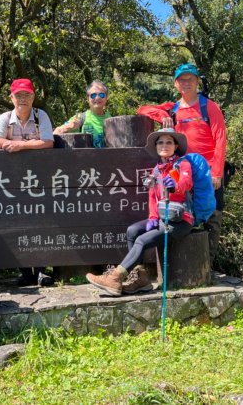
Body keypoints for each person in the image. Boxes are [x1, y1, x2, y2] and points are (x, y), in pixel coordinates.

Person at [86, 128, 194, 296]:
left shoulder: (182, 164)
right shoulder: (157, 170)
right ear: (156, 147)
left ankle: (115, 278)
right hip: (161, 218)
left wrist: (175, 185)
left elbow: (186, 183)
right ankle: (141, 278)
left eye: (169, 142)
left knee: (142, 240)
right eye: (160, 142)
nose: (164, 145)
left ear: (176, 146)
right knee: (132, 231)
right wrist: (152, 217)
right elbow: (152, 196)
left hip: (180, 221)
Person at [137, 63, 226, 265]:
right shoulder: (174, 108)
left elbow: (220, 138)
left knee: (212, 215)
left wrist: (217, 172)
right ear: (176, 84)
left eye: (190, 79)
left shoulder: (208, 106)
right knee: (183, 215)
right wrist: (163, 115)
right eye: (182, 80)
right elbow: (142, 109)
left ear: (197, 82)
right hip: (181, 171)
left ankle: (208, 265)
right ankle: (186, 266)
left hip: (207, 172)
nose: (186, 83)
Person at [0, 78, 55, 286]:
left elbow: (48, 142)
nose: (23, 99)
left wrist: (19, 146)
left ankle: (42, 271)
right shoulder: (5, 117)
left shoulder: (40, 115)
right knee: (19, 223)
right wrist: (23, 144)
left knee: (43, 222)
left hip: (41, 180)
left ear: (33, 96)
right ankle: (26, 273)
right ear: (11, 97)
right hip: (14, 181)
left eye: (27, 95)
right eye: (18, 95)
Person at [53, 80, 112, 148]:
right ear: (87, 99)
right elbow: (55, 133)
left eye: (101, 95)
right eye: (93, 95)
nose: (97, 97)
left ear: (106, 98)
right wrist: (69, 126)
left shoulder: (111, 119)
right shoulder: (80, 118)